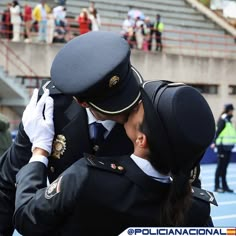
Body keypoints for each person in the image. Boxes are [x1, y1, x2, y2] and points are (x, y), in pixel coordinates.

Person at [14, 80, 217, 235]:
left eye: (138, 106)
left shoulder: (87, 177)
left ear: (141, 139)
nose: (130, 104)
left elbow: (27, 217)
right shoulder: (197, 207)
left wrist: (39, 151)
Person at [0, 31, 142, 236]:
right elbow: (6, 185)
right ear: (81, 101)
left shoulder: (152, 105)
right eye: (113, 106)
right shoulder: (49, 107)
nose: (125, 109)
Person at [211, 103, 236, 193]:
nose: (233, 112)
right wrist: (214, 142)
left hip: (227, 148)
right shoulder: (224, 119)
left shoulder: (228, 120)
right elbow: (218, 131)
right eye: (232, 110)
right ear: (229, 110)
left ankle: (225, 186)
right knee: (220, 167)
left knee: (224, 168)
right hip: (222, 147)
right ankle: (217, 186)